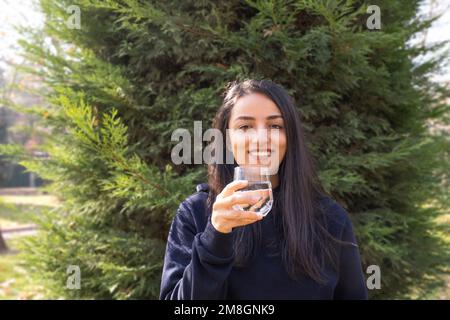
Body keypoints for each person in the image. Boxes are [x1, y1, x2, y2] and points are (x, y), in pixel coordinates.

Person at [160, 79, 368, 299]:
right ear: (228, 140)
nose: (260, 138)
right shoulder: (196, 214)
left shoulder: (331, 219)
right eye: (245, 127)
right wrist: (215, 236)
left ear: (290, 138)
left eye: (275, 126)